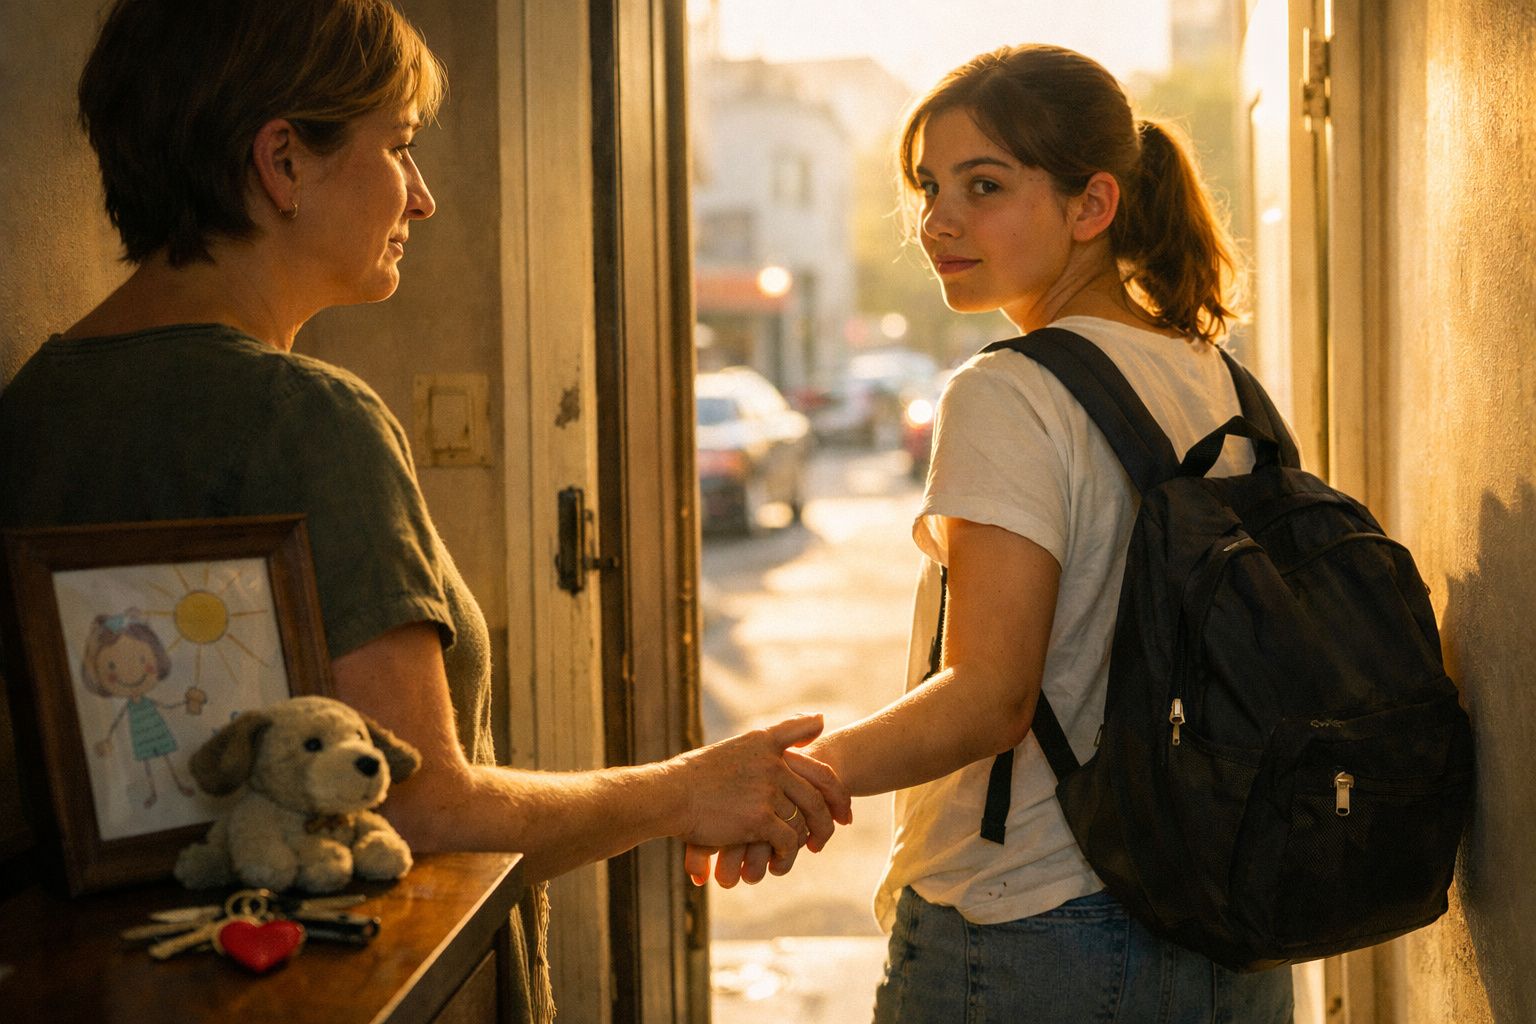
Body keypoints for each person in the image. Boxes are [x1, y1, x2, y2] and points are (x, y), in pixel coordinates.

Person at [0, 1, 849, 1017]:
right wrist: (686, 789)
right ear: (283, 162)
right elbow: (423, 808)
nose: (424, 197)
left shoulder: (34, 403)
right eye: (399, 147)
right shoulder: (305, 419)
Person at [687, 44, 1295, 1022]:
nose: (939, 220)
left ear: (1091, 206)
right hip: (1227, 918)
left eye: (985, 184)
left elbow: (989, 697)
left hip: (1037, 924)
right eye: (930, 186)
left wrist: (794, 782)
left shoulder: (1007, 390)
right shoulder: (1218, 379)